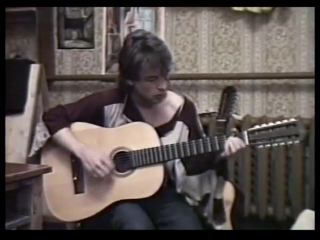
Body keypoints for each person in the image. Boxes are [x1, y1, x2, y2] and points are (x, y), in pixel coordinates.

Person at [42, 29, 246, 230]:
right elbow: (53, 117)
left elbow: (192, 164)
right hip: (108, 194)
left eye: (165, 76)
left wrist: (221, 151)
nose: (163, 86)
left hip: (159, 192)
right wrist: (84, 153)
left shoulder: (183, 109)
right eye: (152, 79)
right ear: (130, 80)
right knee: (135, 225)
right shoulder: (109, 102)